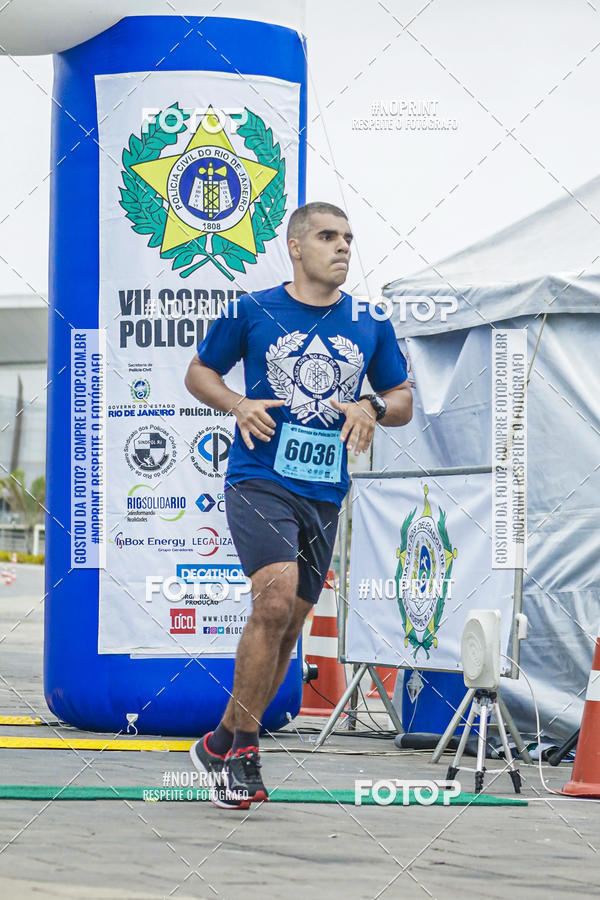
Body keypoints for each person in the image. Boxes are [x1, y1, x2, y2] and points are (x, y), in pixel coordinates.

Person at [184, 201, 412, 809]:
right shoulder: (254, 309)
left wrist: (373, 407)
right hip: (260, 476)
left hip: (323, 490)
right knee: (275, 596)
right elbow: (199, 372)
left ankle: (220, 740)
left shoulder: (369, 320)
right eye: (328, 236)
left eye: (348, 238)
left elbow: (402, 396)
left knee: (290, 622)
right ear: (295, 247)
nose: (342, 247)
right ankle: (244, 752)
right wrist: (236, 403)